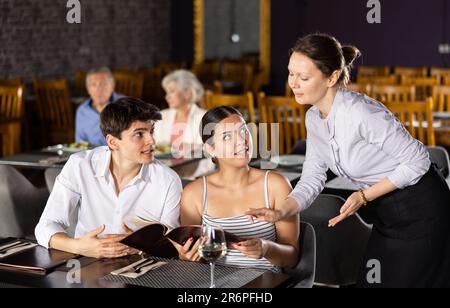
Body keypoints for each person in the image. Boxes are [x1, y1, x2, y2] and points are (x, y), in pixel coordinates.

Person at [246, 33, 450, 287]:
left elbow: (419, 161)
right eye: (291, 74)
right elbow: (313, 177)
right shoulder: (313, 118)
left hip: (423, 209)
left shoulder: (362, 113)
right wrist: (281, 210)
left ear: (331, 77)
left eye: (304, 77)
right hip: (386, 214)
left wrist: (363, 196)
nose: (293, 84)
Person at [35, 97, 182, 258]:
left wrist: (140, 245)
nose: (151, 141)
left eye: (151, 131)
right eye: (139, 134)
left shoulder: (168, 180)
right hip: (84, 265)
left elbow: (172, 243)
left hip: (140, 266)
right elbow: (45, 226)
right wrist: (78, 246)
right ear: (112, 142)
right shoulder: (80, 165)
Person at [171, 106, 299, 272]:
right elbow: (190, 255)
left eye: (243, 131)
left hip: (264, 282)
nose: (241, 140)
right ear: (211, 149)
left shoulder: (276, 185)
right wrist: (186, 257)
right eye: (227, 137)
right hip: (212, 281)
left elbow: (292, 257)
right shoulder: (194, 193)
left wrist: (267, 248)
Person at [154, 69, 206, 157]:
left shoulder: (204, 118)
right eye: (166, 92)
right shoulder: (161, 116)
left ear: (187, 93)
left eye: (172, 91)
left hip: (192, 168)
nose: (167, 97)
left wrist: (194, 148)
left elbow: (207, 153)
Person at [75, 67, 123, 146]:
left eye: (103, 84)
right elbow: (80, 144)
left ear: (112, 86)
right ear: (88, 89)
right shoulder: (82, 111)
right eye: (94, 85)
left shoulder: (125, 105)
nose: (99, 89)